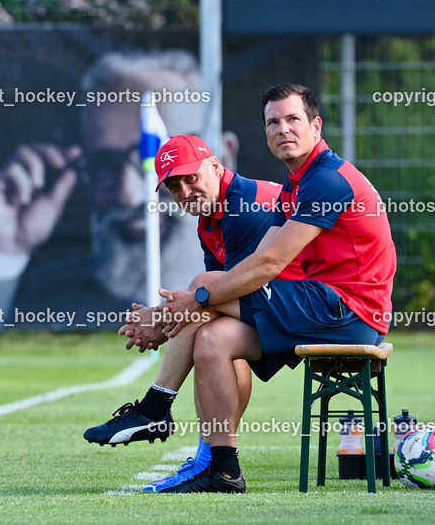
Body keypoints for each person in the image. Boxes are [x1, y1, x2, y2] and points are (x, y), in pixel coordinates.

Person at [148, 83, 397, 493]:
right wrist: (182, 313)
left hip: (348, 313)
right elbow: (253, 264)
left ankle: (156, 404)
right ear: (265, 133)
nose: (283, 129)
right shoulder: (294, 185)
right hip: (324, 305)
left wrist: (193, 302)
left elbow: (268, 264)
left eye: (293, 119)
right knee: (212, 340)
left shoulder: (328, 180)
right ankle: (222, 469)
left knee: (205, 285)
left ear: (316, 126)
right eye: (273, 123)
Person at [82, 134, 303, 491]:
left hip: (319, 309)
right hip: (290, 304)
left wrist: (161, 319)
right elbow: (216, 305)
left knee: (202, 291)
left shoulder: (243, 207)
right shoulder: (211, 218)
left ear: (215, 166)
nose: (185, 192)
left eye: (191, 178)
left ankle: (155, 408)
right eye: (174, 186)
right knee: (210, 331)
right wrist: (166, 315)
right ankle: (215, 462)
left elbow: (224, 290)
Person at [0, 51, 230, 324]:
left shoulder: (261, 255)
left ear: (224, 158)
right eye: (105, 165)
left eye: (166, 162)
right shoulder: (49, 295)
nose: (129, 195)